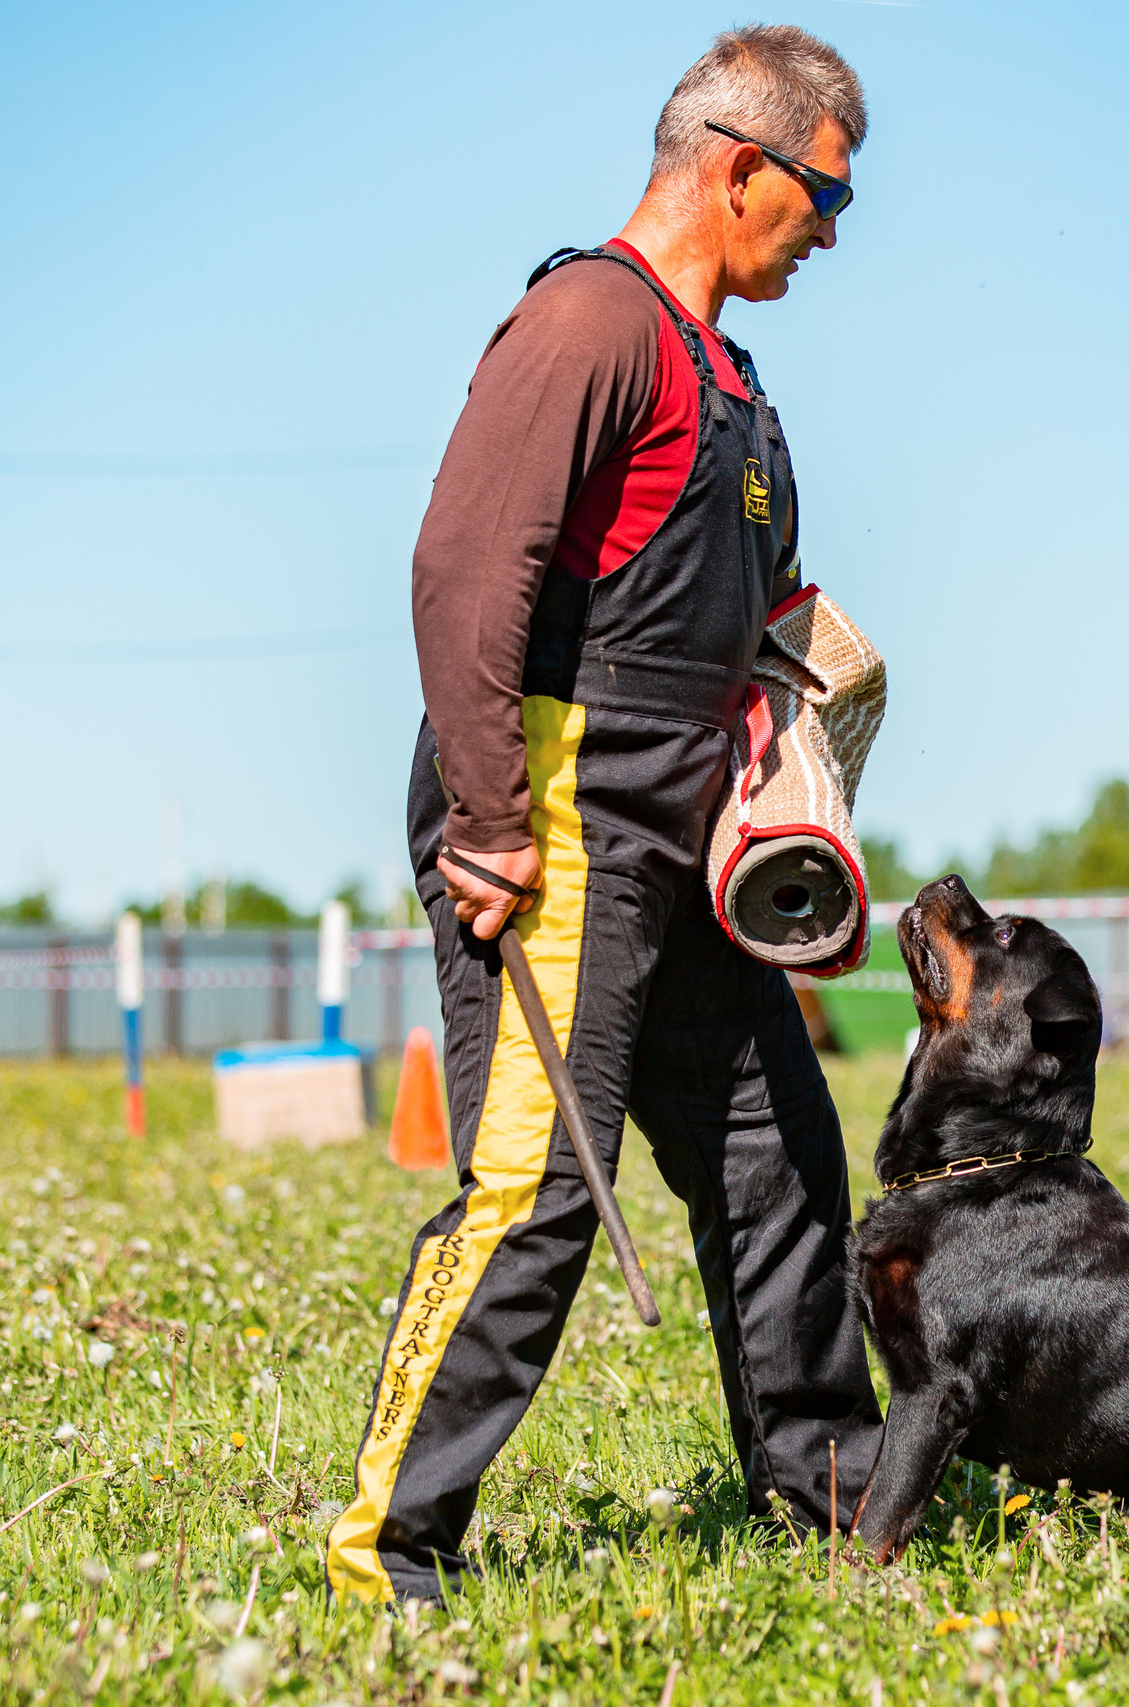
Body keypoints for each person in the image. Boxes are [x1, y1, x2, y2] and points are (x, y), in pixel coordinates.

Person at [326, 27, 880, 1606]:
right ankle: (389, 1544)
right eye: (824, 197)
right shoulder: (588, 323)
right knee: (537, 1190)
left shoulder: (737, 384)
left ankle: (836, 1499)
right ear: (735, 166)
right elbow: (463, 572)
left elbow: (736, 600)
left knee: (780, 1155)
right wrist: (490, 818)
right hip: (557, 813)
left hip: (688, 826)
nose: (832, 233)